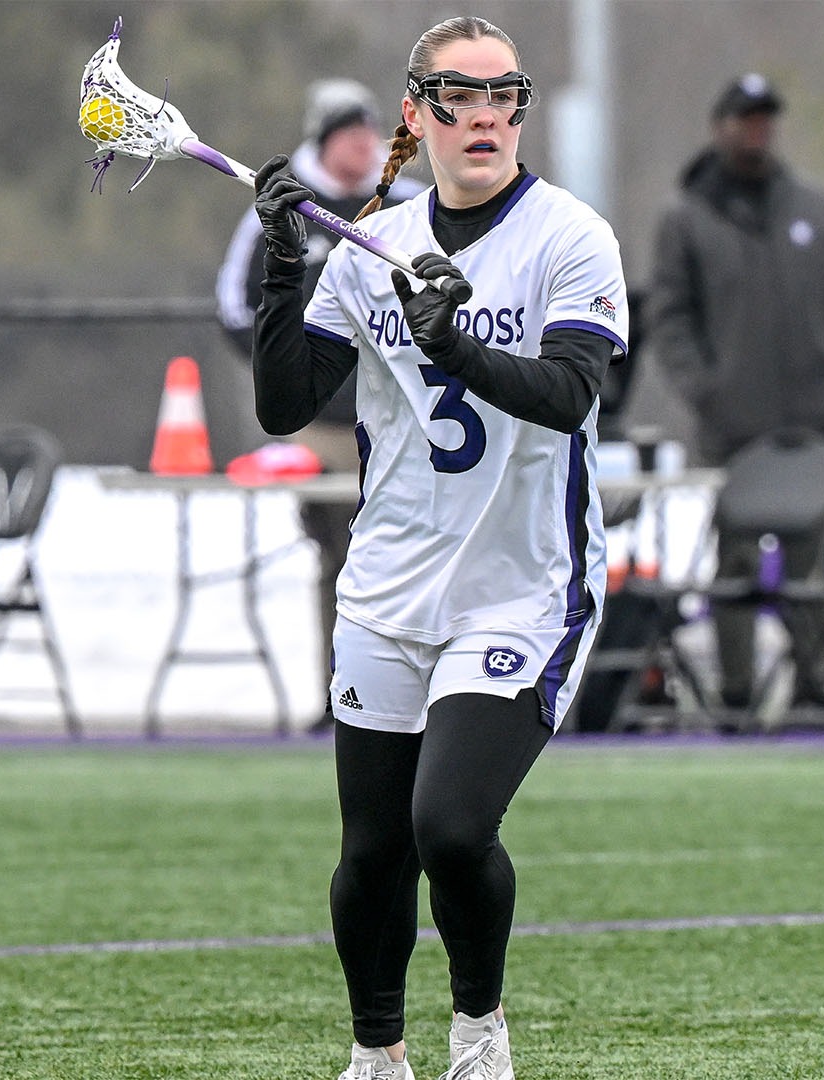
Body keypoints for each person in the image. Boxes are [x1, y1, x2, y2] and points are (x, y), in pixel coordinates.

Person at [248, 16, 626, 1080]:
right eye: (460, 96)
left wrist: (451, 340)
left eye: (507, 95)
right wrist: (285, 267)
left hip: (522, 587)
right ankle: (378, 1056)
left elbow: (568, 396)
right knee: (372, 853)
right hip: (388, 586)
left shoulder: (570, 238)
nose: (488, 117)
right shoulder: (376, 242)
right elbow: (286, 404)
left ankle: (479, 1037)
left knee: (451, 828)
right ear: (415, 113)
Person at [645, 72, 824, 724]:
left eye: (765, 119)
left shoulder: (816, 210)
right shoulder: (689, 218)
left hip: (812, 417)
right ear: (720, 126)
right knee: (737, 562)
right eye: (744, 119)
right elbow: (670, 317)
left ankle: (811, 685)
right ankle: (737, 689)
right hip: (734, 426)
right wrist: (706, 390)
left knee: (812, 563)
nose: (756, 131)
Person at [216, 77, 420, 734]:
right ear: (324, 142)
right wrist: (290, 376)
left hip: (404, 423)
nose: (363, 146)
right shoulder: (283, 212)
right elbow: (233, 308)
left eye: (371, 134)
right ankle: (346, 696)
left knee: (411, 553)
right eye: (350, 134)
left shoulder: (408, 206)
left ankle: (420, 693)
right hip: (324, 429)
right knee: (344, 558)